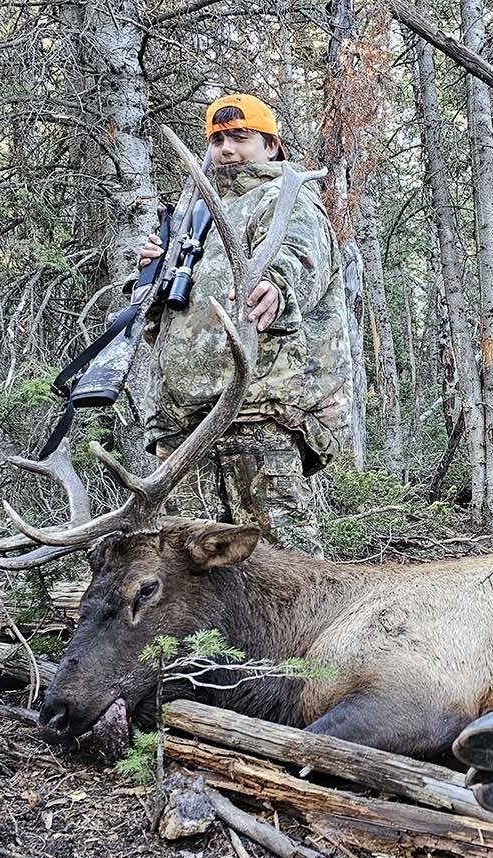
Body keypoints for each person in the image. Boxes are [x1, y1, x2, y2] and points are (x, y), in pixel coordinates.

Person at [137, 93, 351, 556]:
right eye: (217, 140)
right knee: (184, 568)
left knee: (282, 565)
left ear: (271, 146)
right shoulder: (193, 217)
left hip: (259, 411)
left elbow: (299, 258)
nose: (227, 149)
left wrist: (275, 288)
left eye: (240, 137)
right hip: (184, 421)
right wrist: (153, 277)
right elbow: (163, 322)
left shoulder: (286, 198)